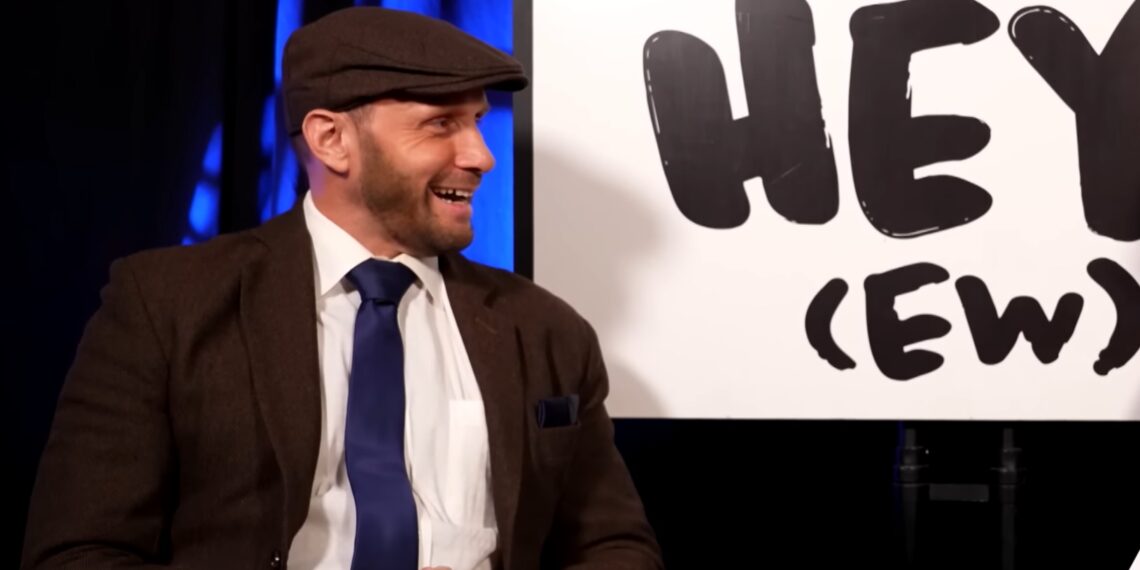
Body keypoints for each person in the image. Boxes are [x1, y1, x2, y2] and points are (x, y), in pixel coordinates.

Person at [22, 6, 662, 570]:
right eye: (441, 124)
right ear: (331, 140)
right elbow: (76, 555)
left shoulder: (546, 330)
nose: (480, 155)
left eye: (475, 120)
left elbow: (615, 547)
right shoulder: (166, 306)